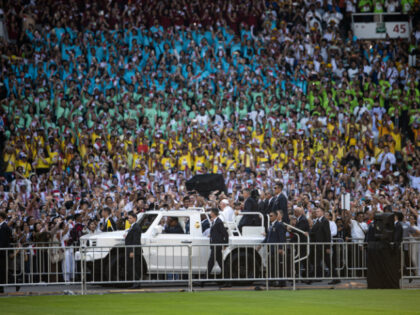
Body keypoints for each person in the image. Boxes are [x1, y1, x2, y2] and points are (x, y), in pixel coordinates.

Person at [262, 210, 287, 287]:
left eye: (271, 216)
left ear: (276, 216)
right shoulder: (271, 225)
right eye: (269, 216)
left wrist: (280, 248)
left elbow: (282, 237)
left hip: (276, 249)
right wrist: (261, 244)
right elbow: (268, 237)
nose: (270, 217)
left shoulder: (279, 225)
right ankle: (271, 281)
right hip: (271, 249)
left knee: (279, 266)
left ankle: (282, 282)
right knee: (272, 265)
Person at [207, 208, 229, 279]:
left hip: (217, 245)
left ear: (213, 213)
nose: (210, 213)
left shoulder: (219, 222)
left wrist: (225, 244)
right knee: (221, 263)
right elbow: (217, 232)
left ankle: (204, 279)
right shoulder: (215, 221)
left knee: (211, 262)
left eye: (211, 212)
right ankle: (228, 279)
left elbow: (225, 234)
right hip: (215, 245)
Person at [125, 211, 142, 288]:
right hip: (131, 250)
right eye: (128, 218)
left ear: (134, 219)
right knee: (131, 267)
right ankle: (134, 282)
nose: (128, 219)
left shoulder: (136, 227)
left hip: (134, 251)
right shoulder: (133, 227)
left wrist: (132, 251)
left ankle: (136, 283)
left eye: (130, 218)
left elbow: (135, 240)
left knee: (134, 267)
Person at [0, 212, 12, 293]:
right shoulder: (3, 226)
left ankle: (1, 287)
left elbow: (3, 241)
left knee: (1, 270)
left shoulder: (4, 227)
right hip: (2, 252)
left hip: (2, 252)